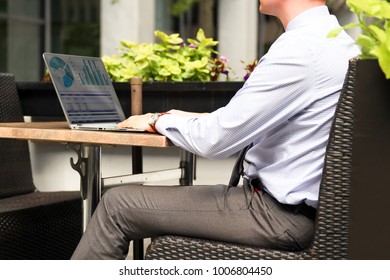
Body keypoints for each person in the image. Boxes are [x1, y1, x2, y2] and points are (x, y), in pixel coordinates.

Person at [71, 0, 360, 259]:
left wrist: (155, 119)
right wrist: (178, 116)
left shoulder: (300, 48)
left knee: (116, 206)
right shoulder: (339, 43)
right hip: (308, 217)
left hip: (275, 216)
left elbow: (217, 140)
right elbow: (247, 120)